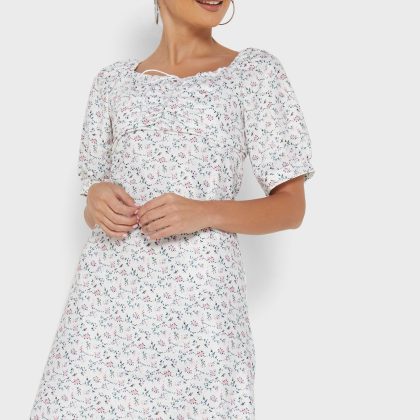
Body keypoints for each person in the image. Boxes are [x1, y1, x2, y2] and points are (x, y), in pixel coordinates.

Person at [30, 0, 315, 418]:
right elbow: (92, 211)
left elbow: (291, 208)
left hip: (199, 312)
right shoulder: (112, 83)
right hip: (103, 309)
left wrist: (205, 212)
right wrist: (96, 200)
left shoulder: (252, 74)